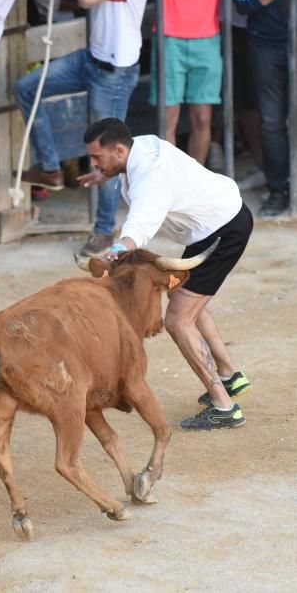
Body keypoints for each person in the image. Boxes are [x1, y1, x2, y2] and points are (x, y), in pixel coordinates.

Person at [78, 117, 253, 430]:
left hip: (222, 232)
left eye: (97, 157)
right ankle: (229, 376)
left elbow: (140, 226)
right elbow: (138, 185)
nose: (93, 162)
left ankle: (224, 407)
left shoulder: (150, 177)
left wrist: (113, 253)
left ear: (119, 150)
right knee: (182, 298)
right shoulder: (139, 146)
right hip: (214, 226)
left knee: (176, 319)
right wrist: (103, 172)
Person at [13, 0, 153, 256]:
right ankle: (49, 167)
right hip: (91, 59)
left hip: (114, 73)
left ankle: (105, 231)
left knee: (108, 156)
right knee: (26, 87)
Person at [139, 0, 260, 166]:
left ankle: (193, 185)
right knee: (166, 120)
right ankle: (168, 185)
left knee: (203, 118)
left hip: (207, 38)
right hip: (169, 38)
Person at [233, 0, 297, 217]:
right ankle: (279, 188)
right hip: (266, 43)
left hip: (294, 38)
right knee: (271, 121)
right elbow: (243, 3)